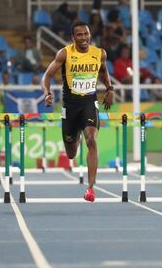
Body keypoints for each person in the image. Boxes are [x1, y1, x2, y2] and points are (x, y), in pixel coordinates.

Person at [41, 21, 114, 202]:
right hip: (70, 106)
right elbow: (47, 76)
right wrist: (47, 93)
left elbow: (103, 72)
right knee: (72, 153)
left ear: (90, 35)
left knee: (92, 140)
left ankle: (90, 189)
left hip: (89, 102)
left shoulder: (99, 54)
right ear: (73, 38)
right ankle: (76, 136)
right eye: (79, 35)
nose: (84, 38)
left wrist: (110, 89)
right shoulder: (65, 53)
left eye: (86, 34)